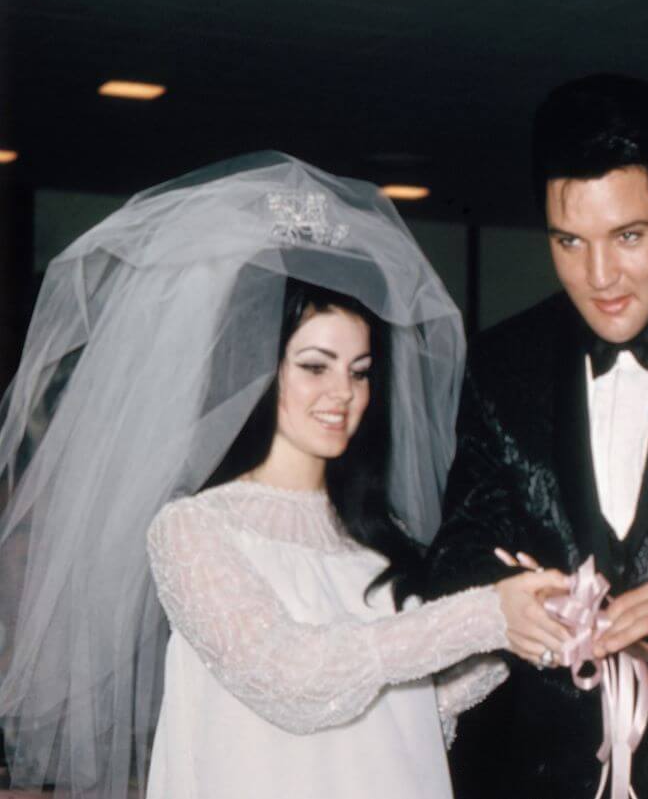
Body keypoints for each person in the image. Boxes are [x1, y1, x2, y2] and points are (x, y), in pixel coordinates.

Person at [0, 152, 565, 799]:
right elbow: (293, 677)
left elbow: (412, 711)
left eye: (359, 370)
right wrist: (484, 615)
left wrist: (522, 631)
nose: (343, 393)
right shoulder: (193, 529)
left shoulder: (382, 532)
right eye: (315, 366)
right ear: (259, 368)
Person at [425, 74, 648, 799]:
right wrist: (508, 601)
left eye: (629, 236)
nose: (599, 275)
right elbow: (456, 556)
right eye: (569, 241)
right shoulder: (501, 362)